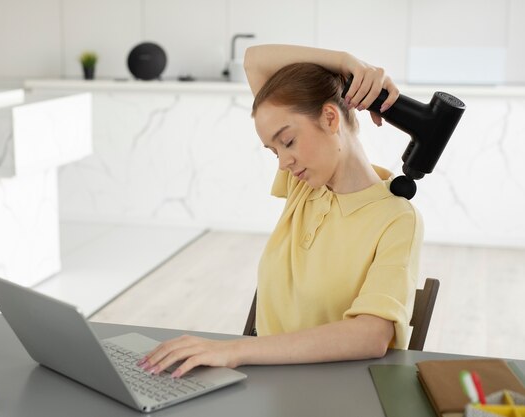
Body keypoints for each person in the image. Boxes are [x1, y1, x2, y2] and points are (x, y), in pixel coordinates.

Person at [137, 45, 423, 379]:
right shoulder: (306, 185)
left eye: (287, 141)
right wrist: (345, 62)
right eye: (274, 152)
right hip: (268, 379)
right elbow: (254, 61)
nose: (284, 162)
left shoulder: (397, 218)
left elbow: (371, 335)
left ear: (331, 119)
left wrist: (233, 350)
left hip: (339, 391)